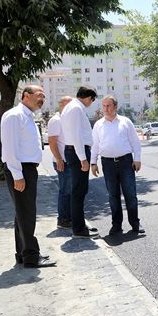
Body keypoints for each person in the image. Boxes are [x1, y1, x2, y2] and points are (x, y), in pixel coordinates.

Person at [0, 85, 56, 268]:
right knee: (27, 214)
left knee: (22, 213)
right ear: (26, 96)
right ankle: (32, 256)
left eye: (44, 96)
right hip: (20, 169)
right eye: (40, 95)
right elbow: (9, 149)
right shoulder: (14, 116)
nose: (42, 99)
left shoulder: (27, 116)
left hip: (27, 169)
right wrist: (17, 175)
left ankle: (23, 254)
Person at [90, 96, 145, 236]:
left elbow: (135, 142)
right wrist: (93, 162)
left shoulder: (125, 122)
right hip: (107, 163)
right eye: (104, 106)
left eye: (108, 105)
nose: (106, 109)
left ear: (116, 107)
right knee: (113, 195)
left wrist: (137, 159)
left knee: (130, 194)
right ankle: (116, 225)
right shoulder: (98, 125)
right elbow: (95, 146)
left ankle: (135, 223)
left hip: (126, 162)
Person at [61, 86, 99, 238]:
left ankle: (80, 226)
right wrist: (83, 158)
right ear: (89, 97)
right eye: (92, 100)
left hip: (74, 151)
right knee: (79, 192)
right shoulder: (76, 108)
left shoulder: (71, 107)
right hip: (78, 153)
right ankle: (79, 229)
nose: (91, 103)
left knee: (78, 191)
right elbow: (76, 136)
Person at [47, 95, 73, 229]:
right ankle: (63, 219)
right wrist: (59, 159)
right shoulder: (56, 120)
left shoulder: (66, 119)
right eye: (69, 104)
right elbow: (52, 142)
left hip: (69, 161)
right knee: (65, 191)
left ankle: (69, 217)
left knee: (70, 191)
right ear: (61, 105)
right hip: (62, 161)